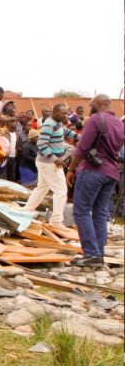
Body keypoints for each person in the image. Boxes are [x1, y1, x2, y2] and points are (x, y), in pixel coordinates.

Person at [66, 95, 125, 267]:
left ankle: (91, 253)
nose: (90, 108)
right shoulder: (119, 123)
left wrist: (71, 169)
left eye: (91, 105)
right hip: (112, 172)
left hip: (93, 170)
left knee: (81, 210)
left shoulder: (95, 119)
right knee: (100, 213)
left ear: (99, 104)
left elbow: (82, 148)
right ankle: (98, 253)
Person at [20, 104, 77, 228]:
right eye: (63, 113)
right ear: (55, 112)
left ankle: (26, 210)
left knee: (42, 188)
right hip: (49, 163)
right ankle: (56, 221)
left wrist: (81, 137)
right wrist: (54, 159)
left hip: (46, 162)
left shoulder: (58, 123)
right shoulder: (49, 125)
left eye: (67, 113)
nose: (66, 116)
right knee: (61, 191)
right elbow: (41, 144)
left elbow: (67, 132)